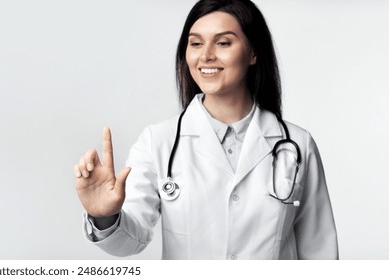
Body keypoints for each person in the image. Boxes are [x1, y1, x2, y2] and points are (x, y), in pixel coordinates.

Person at [73, 0, 338, 260]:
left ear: (253, 53)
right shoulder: (158, 141)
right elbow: (131, 239)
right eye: (196, 43)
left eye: (223, 43)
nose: (206, 55)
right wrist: (104, 216)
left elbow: (320, 251)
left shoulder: (297, 144)